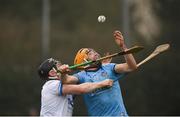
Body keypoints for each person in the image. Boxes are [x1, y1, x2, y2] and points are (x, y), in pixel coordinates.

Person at [62, 30, 137, 116]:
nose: (95, 53)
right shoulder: (82, 76)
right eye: (90, 53)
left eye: (94, 51)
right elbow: (66, 80)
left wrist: (123, 47)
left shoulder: (109, 67)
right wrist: (63, 73)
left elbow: (131, 67)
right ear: (83, 61)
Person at [37, 58, 113, 116]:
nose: (62, 65)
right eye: (59, 66)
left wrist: (99, 67)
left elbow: (84, 80)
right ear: (52, 73)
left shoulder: (60, 84)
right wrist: (102, 83)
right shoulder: (52, 85)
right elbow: (81, 89)